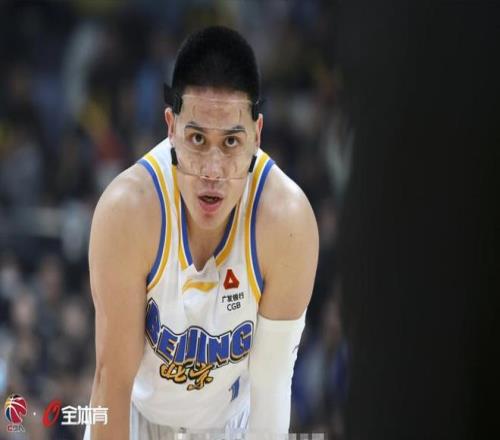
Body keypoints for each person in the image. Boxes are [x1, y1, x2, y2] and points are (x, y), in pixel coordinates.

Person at [85, 26, 318, 439]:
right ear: (170, 127)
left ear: (257, 135)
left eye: (230, 142)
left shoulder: (287, 222)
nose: (212, 170)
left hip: (231, 423)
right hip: (138, 416)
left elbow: (271, 392)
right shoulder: (128, 211)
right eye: (196, 138)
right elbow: (111, 386)